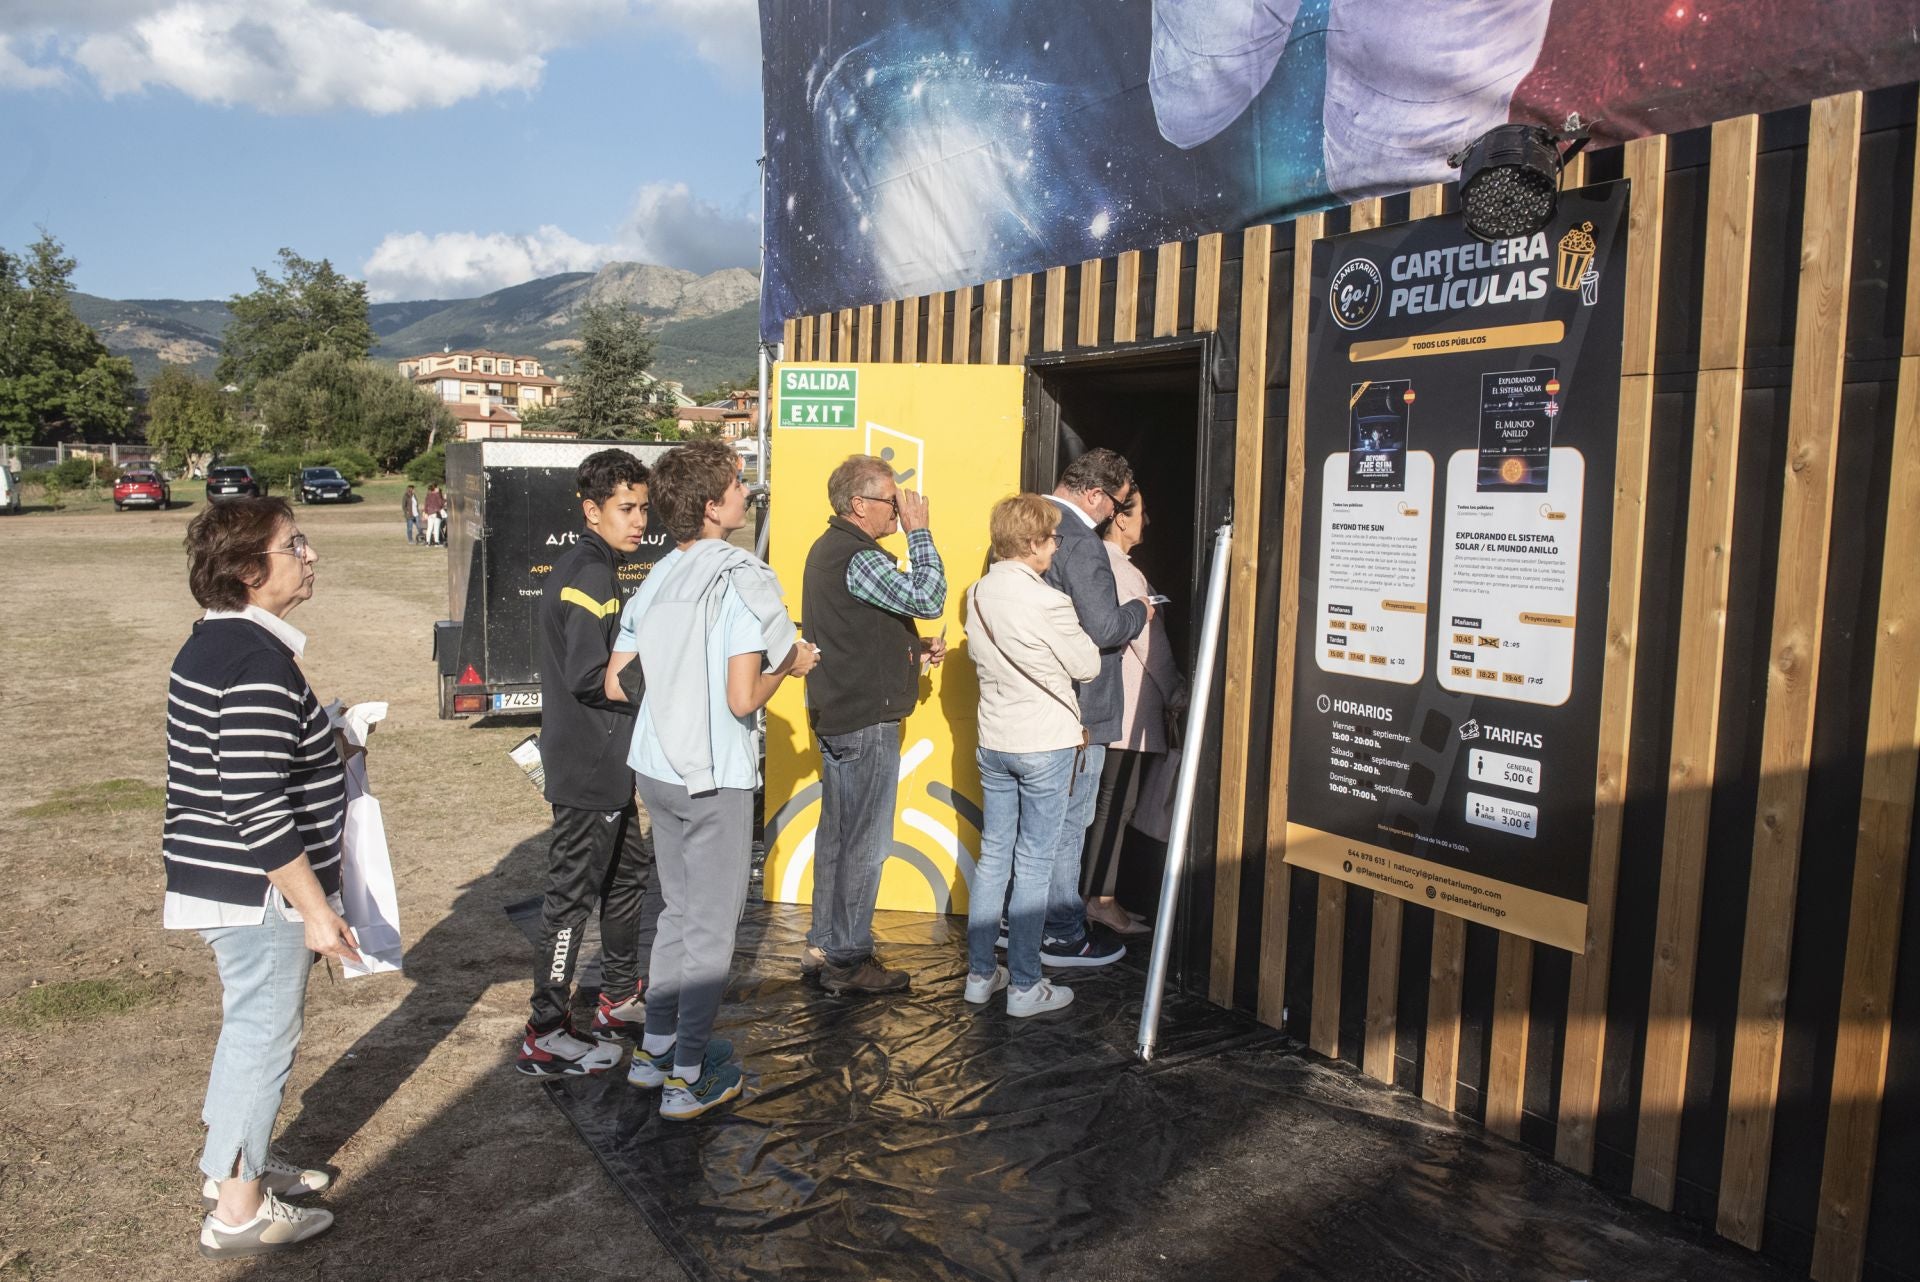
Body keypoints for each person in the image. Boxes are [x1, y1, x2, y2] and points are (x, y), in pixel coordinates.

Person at [164, 497, 361, 1258]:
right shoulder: (253, 661)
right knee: (262, 1035)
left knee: (247, 1025)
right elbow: (250, 796)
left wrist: (329, 739)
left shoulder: (222, 645)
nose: (310, 555)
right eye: (294, 545)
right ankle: (240, 1212)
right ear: (251, 571)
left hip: (231, 881)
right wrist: (312, 906)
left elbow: (245, 761)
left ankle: (231, 1166)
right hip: (260, 891)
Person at [604, 440, 818, 1119]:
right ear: (710, 504)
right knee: (711, 929)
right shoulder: (737, 579)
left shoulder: (659, 573)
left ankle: (656, 1053)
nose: (748, 492)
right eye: (736, 483)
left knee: (677, 912)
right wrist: (794, 664)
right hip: (712, 775)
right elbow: (741, 699)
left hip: (657, 768)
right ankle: (689, 1075)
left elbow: (617, 677)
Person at [516, 449, 663, 1077]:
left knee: (630, 877)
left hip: (611, 765)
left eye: (643, 508)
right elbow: (587, 676)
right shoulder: (590, 573)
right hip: (587, 766)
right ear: (591, 510)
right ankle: (546, 1030)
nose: (639, 522)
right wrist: (672, 685)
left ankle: (618, 997)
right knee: (570, 901)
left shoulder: (600, 565)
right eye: (625, 509)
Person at [799, 454, 947, 996]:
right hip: (866, 721)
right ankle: (847, 957)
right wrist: (921, 534)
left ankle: (824, 942)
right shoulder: (858, 556)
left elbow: (858, 627)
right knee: (864, 841)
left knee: (839, 834)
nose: (900, 508)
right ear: (859, 505)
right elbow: (928, 597)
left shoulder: (834, 550)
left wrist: (911, 646)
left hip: (842, 714)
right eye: (892, 499)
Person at [964, 495, 1100, 1016]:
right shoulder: (1048, 601)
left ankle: (981, 974)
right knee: (1035, 863)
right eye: (1051, 539)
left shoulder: (976, 594)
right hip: (1044, 742)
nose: (1055, 547)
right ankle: (1024, 985)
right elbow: (1087, 665)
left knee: (995, 855)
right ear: (1032, 543)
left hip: (994, 740)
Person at [1038, 448, 1152, 967]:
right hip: (1081, 709)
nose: (1116, 515)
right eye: (1118, 503)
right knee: (1068, 823)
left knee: (1032, 825)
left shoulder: (1025, 526)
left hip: (1033, 705)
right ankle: (1062, 932)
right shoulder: (1081, 542)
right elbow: (1105, 628)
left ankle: (1013, 927)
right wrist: (1140, 610)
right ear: (1095, 495)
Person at [1082, 488, 1187, 935]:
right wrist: (1178, 693)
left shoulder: (1095, 565)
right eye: (1141, 512)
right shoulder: (1124, 573)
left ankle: (1097, 896)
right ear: (1121, 520)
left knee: (1103, 806)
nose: (1148, 521)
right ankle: (1101, 900)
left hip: (1106, 710)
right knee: (1114, 807)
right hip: (1125, 713)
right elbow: (1151, 647)